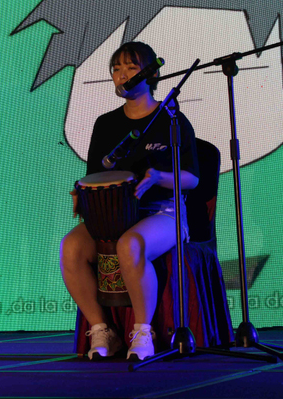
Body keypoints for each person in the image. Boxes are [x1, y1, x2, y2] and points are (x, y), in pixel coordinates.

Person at [60, 41, 199, 361]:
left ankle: (143, 331)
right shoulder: (106, 124)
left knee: (130, 244)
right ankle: (102, 329)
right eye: (116, 69)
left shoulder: (172, 120)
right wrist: (81, 194)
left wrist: (158, 177)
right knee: (71, 248)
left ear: (151, 74)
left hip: (163, 212)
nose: (122, 75)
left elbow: (192, 179)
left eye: (131, 68)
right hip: (112, 216)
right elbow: (95, 176)